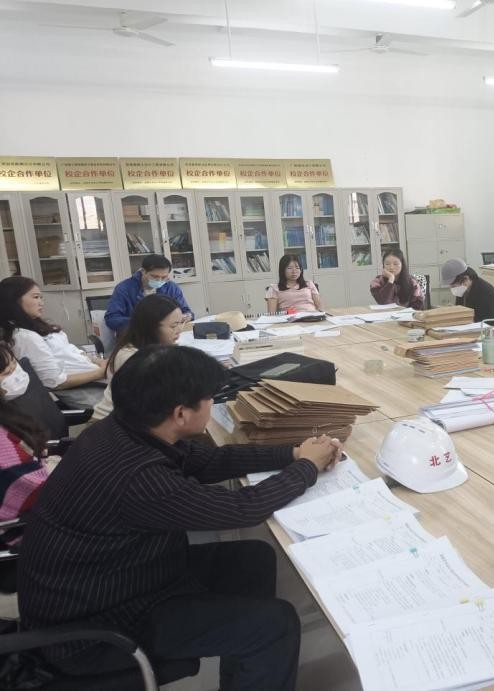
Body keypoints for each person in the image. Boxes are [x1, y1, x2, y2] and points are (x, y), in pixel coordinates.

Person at [18, 345, 343, 690]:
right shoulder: (138, 478)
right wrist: (307, 467)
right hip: (95, 628)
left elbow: (205, 461)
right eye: (209, 398)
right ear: (181, 413)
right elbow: (241, 509)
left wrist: (292, 453)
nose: (212, 403)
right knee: (275, 625)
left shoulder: (124, 429)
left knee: (254, 557)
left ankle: (245, 675)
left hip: (123, 576)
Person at [0, 276, 107, 408]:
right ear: (14, 300)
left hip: (98, 378)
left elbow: (69, 351)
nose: (41, 302)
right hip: (91, 390)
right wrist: (102, 372)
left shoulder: (35, 326)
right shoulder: (24, 337)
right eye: (36, 297)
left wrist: (98, 361)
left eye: (41, 297)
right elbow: (55, 382)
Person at [91, 294, 183, 422]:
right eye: (173, 326)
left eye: (181, 323)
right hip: (110, 425)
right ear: (151, 327)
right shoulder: (131, 357)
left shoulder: (153, 349)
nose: (179, 330)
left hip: (131, 420)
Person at [0, 342, 49, 523]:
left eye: (15, 364)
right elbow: (34, 492)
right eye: (7, 373)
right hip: (29, 524)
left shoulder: (7, 412)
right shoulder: (4, 449)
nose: (15, 373)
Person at [105, 254, 193, 335]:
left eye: (164, 277)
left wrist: (187, 316)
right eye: (155, 276)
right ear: (143, 271)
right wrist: (143, 322)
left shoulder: (171, 287)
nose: (159, 280)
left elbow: (186, 311)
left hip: (166, 335)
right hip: (136, 336)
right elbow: (112, 319)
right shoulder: (124, 288)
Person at [440, 258, 494, 326]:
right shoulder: (464, 290)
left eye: (454, 286)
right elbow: (460, 310)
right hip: (473, 327)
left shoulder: (485, 293)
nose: (452, 288)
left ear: (465, 279)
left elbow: (486, 323)